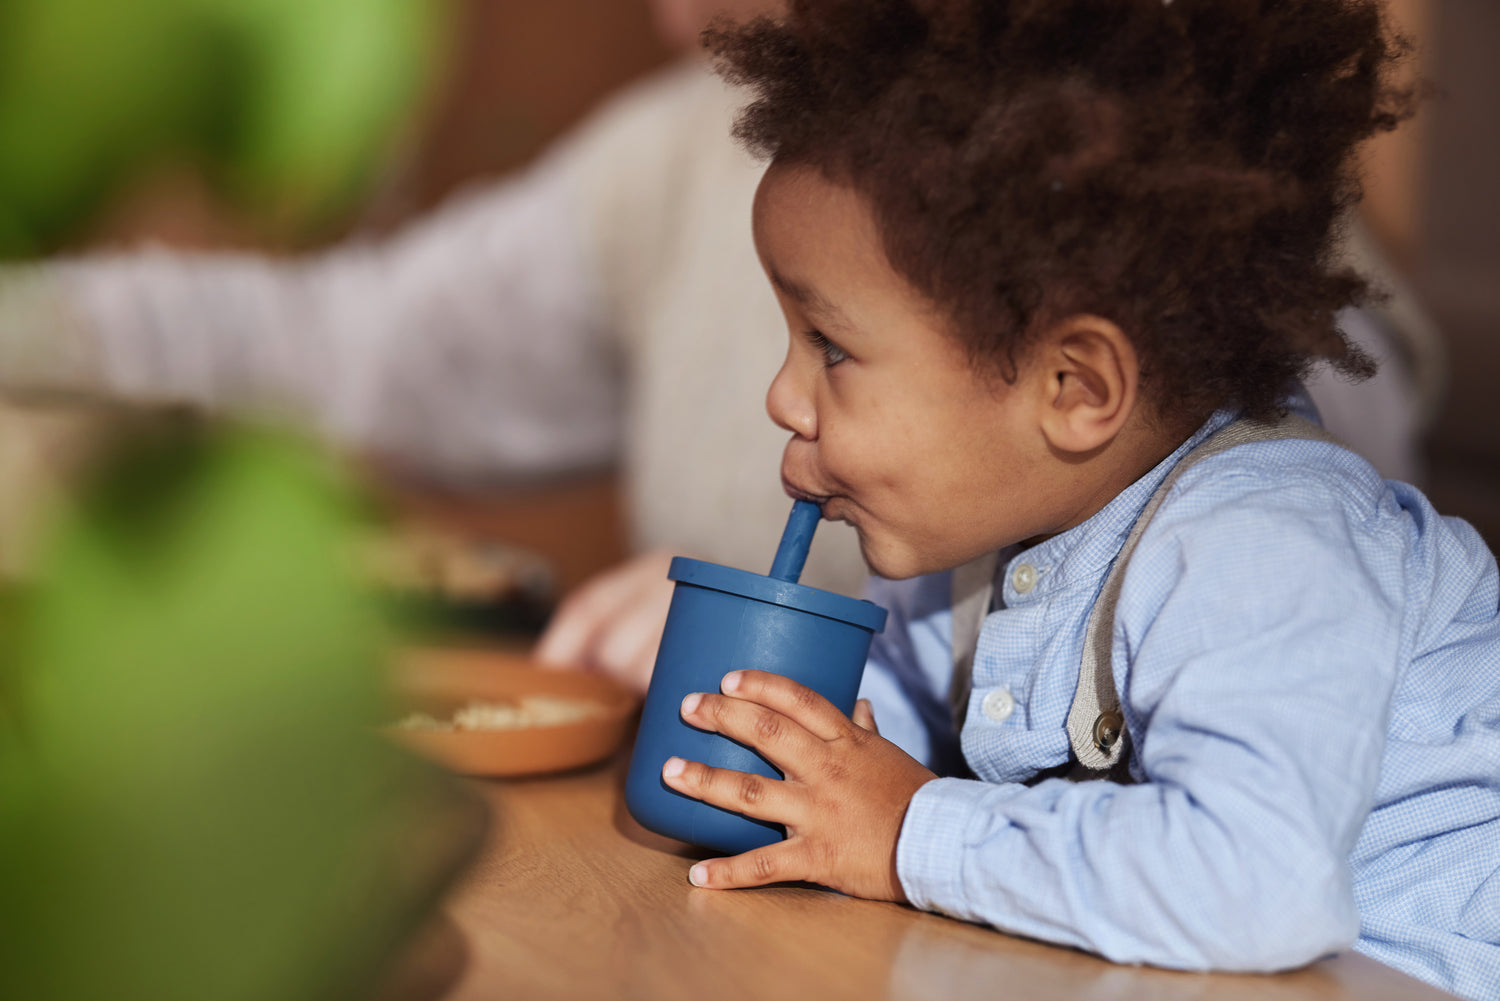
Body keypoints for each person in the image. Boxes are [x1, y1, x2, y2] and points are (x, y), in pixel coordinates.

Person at [0, 0, 1442, 691]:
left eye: (831, 345)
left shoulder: (1178, 211)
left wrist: (843, 645)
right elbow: (347, 343)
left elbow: (1244, 540)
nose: (672, 15)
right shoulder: (696, 144)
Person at [651, 3, 1499, 999]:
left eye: (830, 346)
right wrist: (774, 739)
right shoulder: (985, 543)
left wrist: (911, 829)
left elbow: (1255, 883)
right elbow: (885, 741)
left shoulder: (1268, 547)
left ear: (1075, 388)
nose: (781, 398)